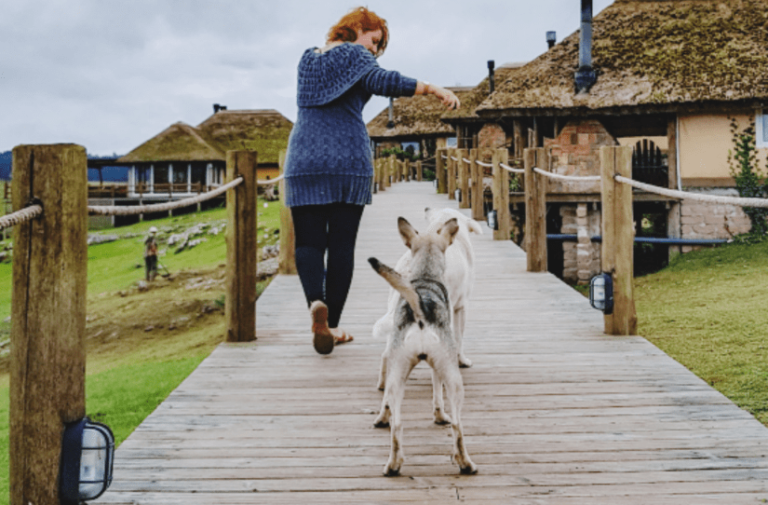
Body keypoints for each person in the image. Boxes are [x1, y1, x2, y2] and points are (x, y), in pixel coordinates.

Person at [283, 6, 460, 355]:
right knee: (342, 246)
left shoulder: (307, 59)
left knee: (308, 243)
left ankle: (315, 306)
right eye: (374, 41)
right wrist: (432, 88)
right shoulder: (355, 57)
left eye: (380, 48)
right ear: (356, 29)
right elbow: (385, 81)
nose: (375, 52)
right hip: (346, 159)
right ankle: (330, 326)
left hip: (303, 157)